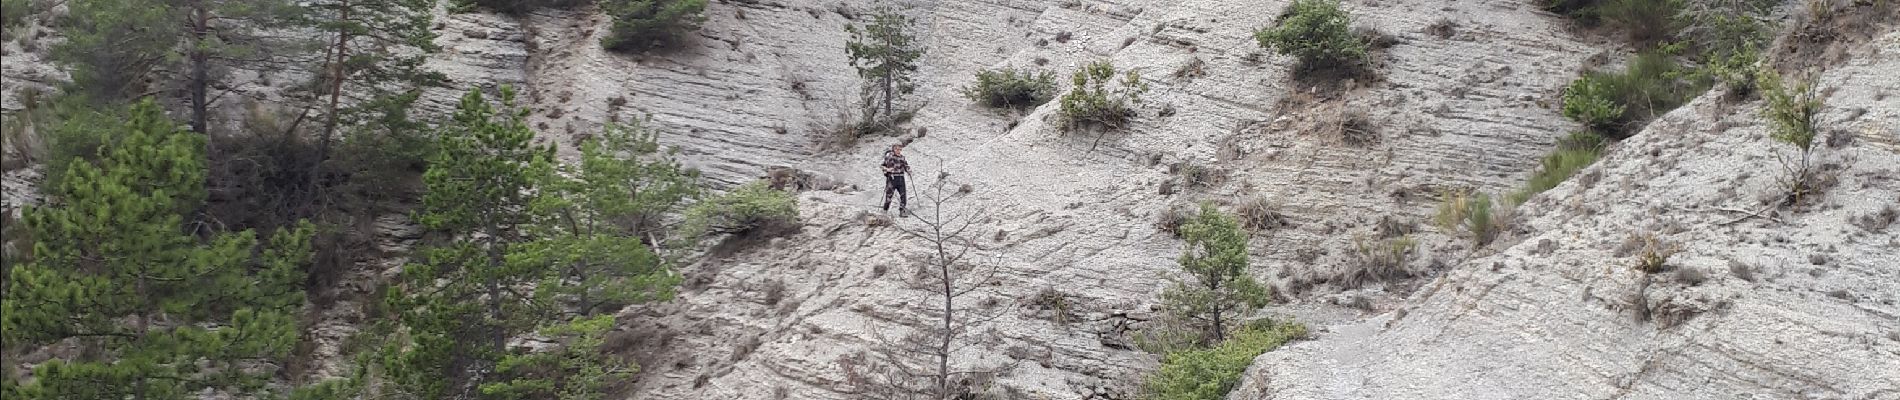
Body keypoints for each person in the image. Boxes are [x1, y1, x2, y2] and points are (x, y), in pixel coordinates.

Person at [881, 142, 910, 216]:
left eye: (900, 149)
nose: (899, 151)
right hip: (892, 178)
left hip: (901, 177)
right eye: (897, 149)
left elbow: (906, 165)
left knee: (903, 195)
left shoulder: (902, 157)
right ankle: (885, 210)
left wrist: (908, 170)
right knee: (889, 196)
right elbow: (882, 166)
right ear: (893, 149)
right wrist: (887, 169)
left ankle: (902, 210)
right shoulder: (889, 157)